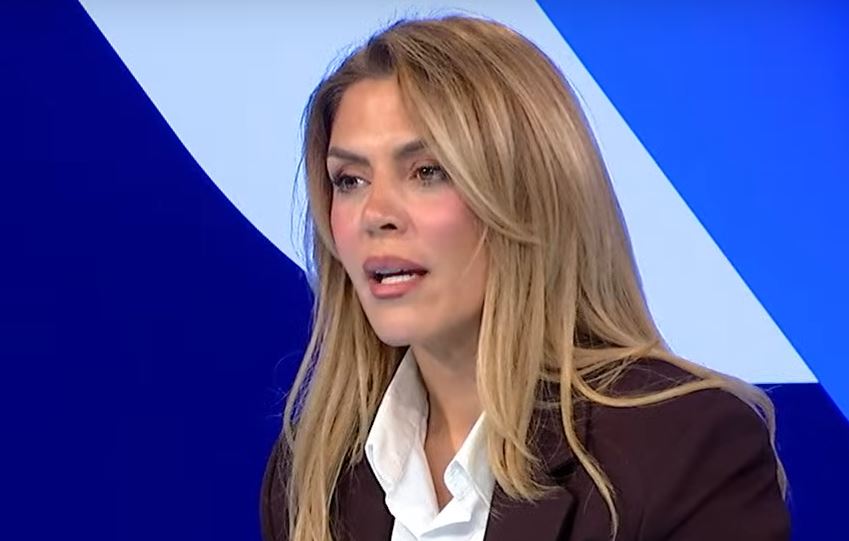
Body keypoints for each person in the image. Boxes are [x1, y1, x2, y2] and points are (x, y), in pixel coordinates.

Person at [260, 15, 790, 541]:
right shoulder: (314, 474)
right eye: (349, 180)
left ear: (530, 195)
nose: (375, 214)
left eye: (427, 171)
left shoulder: (683, 449)